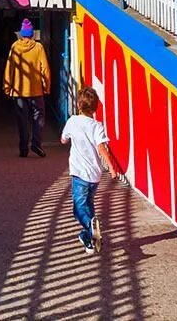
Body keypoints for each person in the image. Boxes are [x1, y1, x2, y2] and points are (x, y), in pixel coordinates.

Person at [61, 87, 119, 254]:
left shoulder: (72, 121)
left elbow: (63, 139)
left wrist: (66, 138)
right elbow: (102, 148)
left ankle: (89, 226)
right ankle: (88, 240)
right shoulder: (97, 126)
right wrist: (112, 169)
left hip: (79, 174)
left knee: (78, 208)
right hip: (95, 175)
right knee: (89, 204)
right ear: (95, 108)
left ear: (79, 105)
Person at [3, 17, 51, 157]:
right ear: (32, 34)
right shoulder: (38, 47)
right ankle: (36, 144)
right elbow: (45, 69)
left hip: (19, 91)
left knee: (22, 120)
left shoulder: (15, 47)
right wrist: (46, 86)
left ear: (22, 34)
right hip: (36, 90)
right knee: (39, 117)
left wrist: (7, 87)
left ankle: (23, 148)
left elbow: (9, 68)